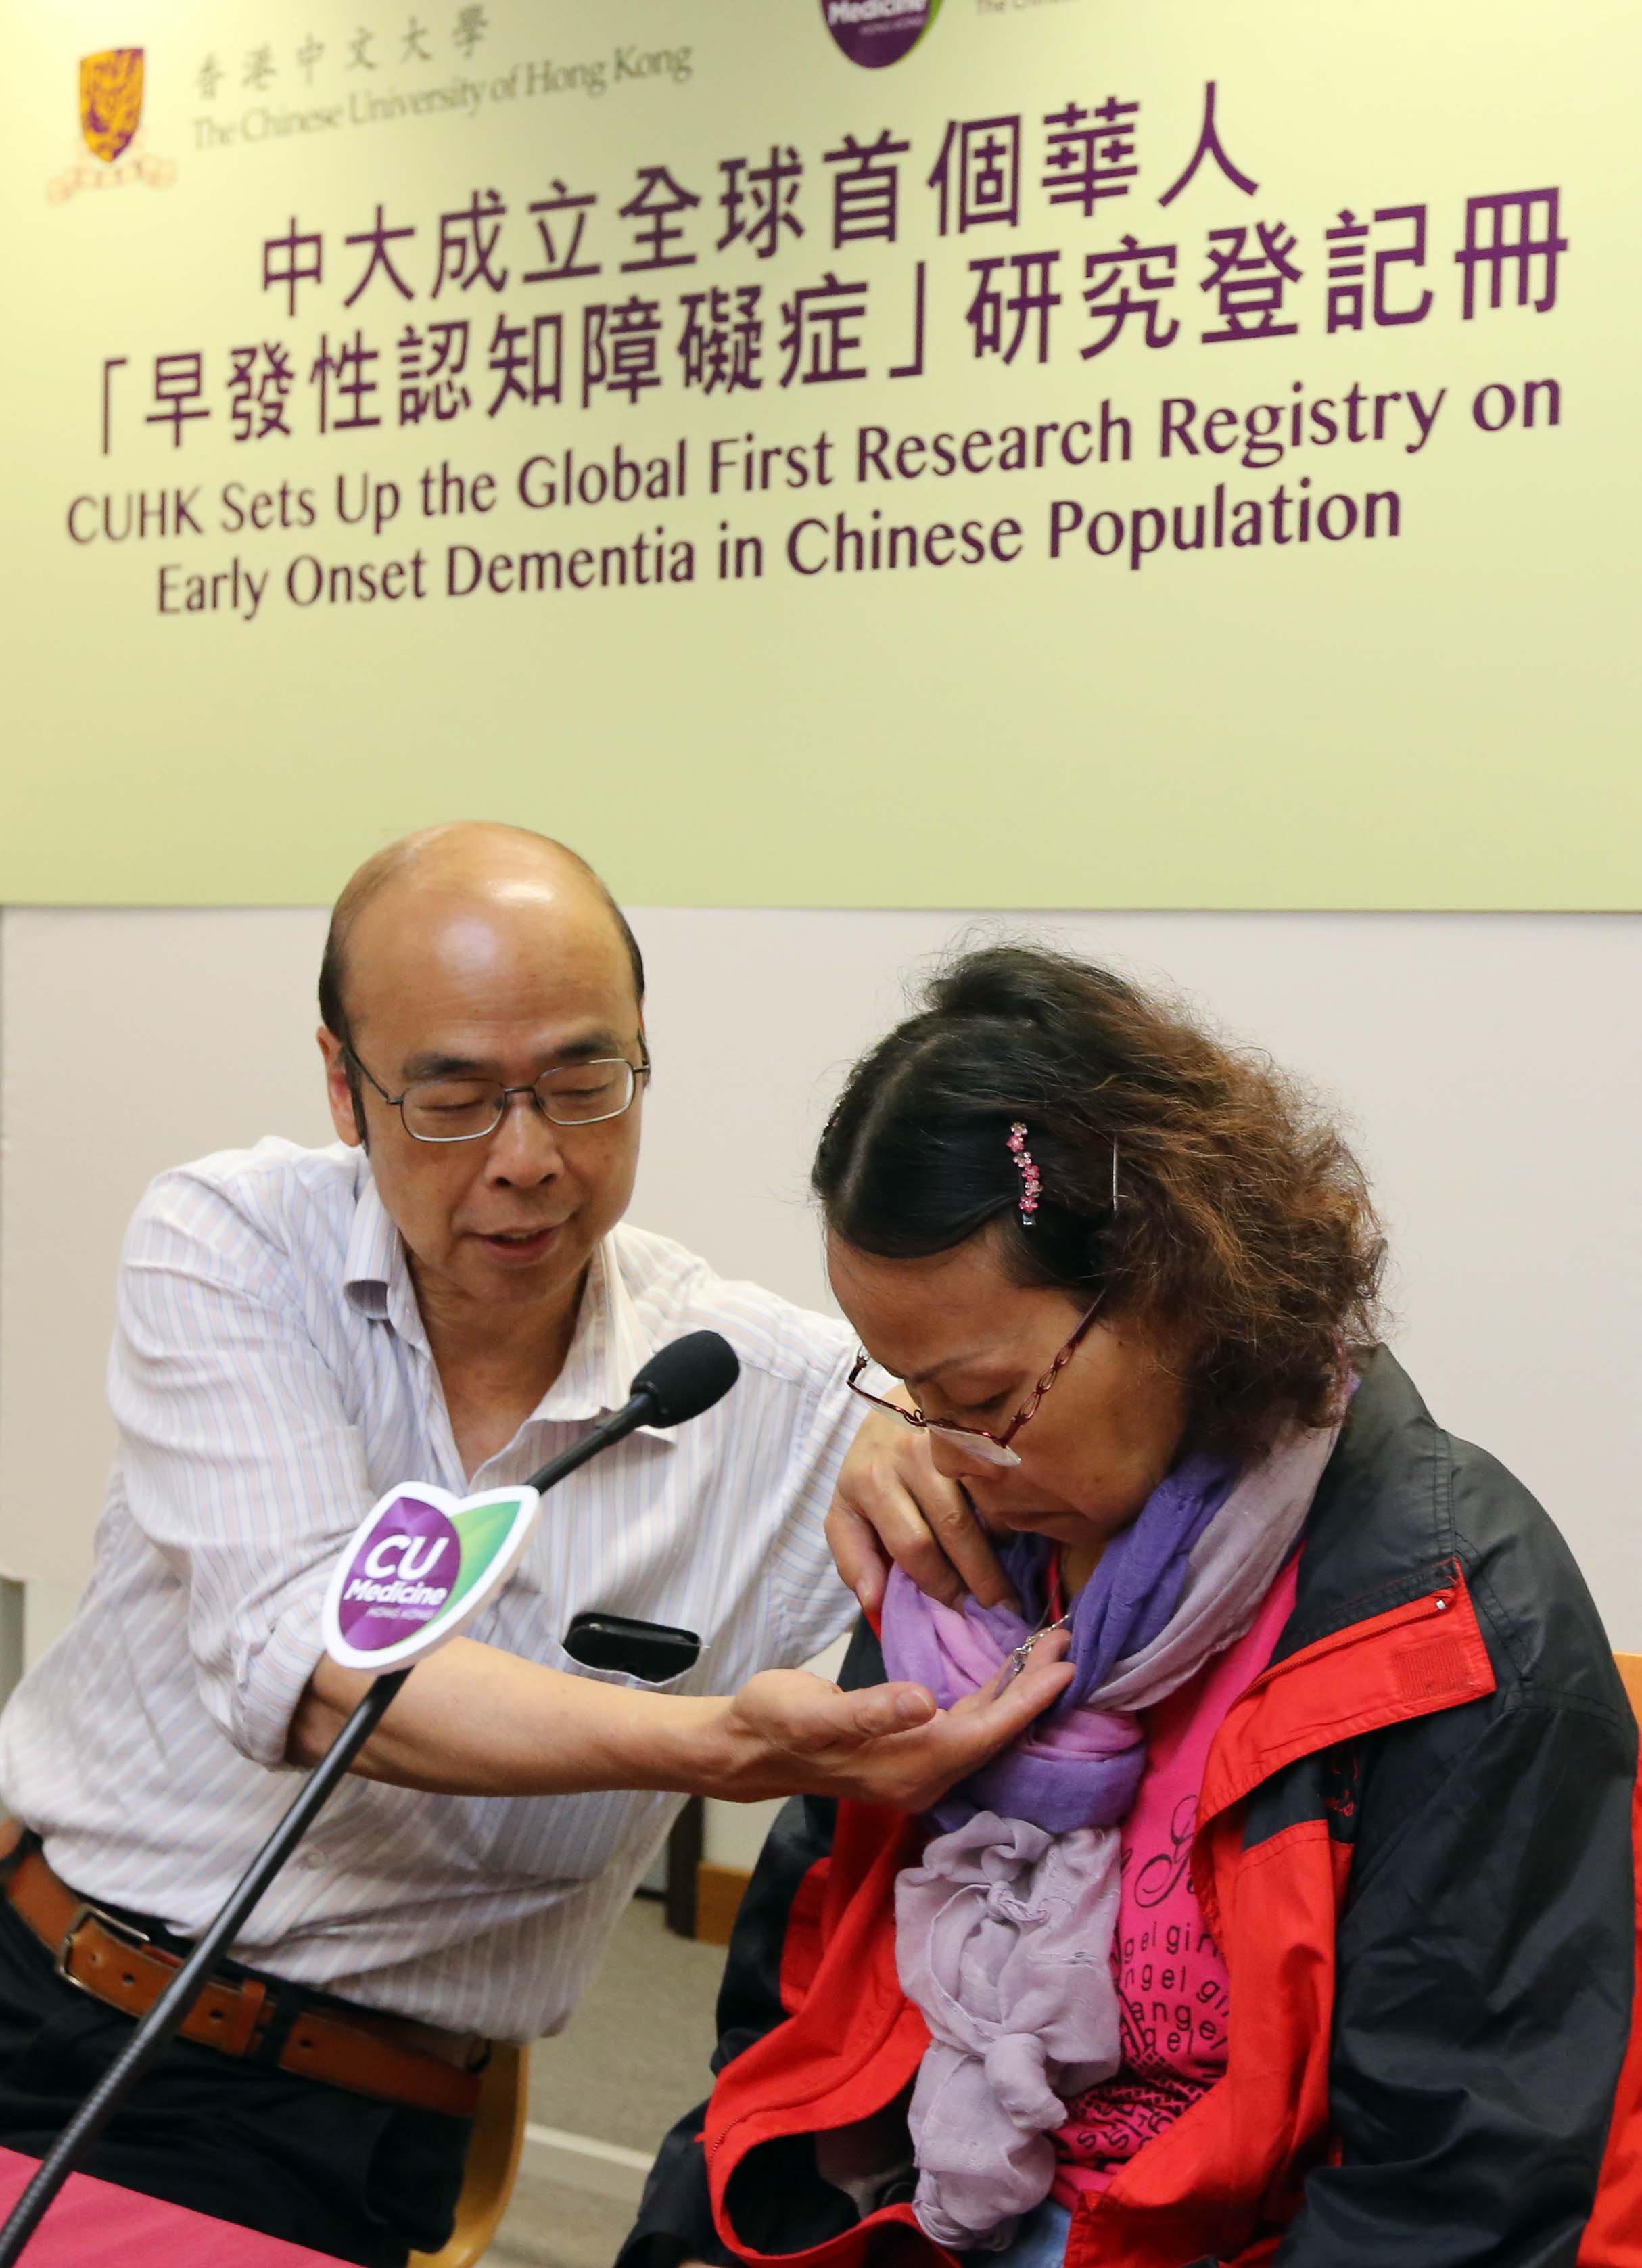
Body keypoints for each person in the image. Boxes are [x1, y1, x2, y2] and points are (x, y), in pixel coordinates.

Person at [0, 829, 1069, 2267]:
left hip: (344, 2125)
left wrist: (923, 1407)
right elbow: (319, 1672)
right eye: (452, 1101)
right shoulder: (233, 1244)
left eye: (582, 1087)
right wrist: (713, 1750)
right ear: (343, 1086)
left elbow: (1055, 1448)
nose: (527, 1162)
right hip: (42, 1988)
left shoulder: (759, 1387)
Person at [623, 944, 1641, 2268]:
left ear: (1168, 1285)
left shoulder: (1449, 1629)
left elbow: (1451, 2195)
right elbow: (795, 2023)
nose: (945, 1452)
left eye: (984, 1401)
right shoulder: (958, 1559)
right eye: (908, 1398)